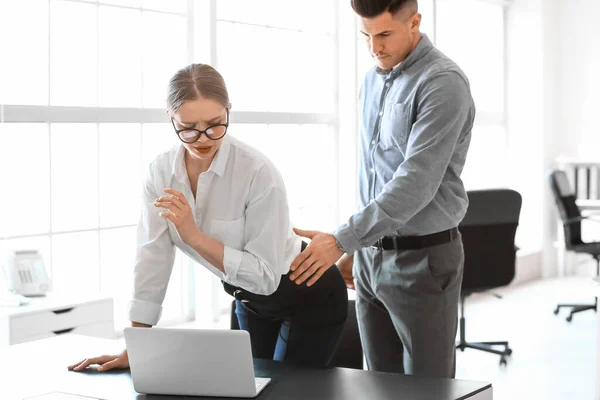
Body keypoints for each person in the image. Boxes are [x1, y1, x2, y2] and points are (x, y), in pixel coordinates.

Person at [68, 63, 347, 372]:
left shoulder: (257, 172)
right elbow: (152, 256)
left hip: (309, 293)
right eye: (188, 128)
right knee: (246, 387)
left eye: (215, 124)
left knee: (288, 392)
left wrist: (194, 237)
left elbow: (266, 277)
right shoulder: (161, 172)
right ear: (170, 118)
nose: (203, 138)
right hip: (248, 299)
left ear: (229, 110)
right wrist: (136, 344)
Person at [288, 0, 475, 378]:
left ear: (415, 22)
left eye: (385, 34)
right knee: (378, 382)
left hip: (423, 262)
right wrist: (358, 247)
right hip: (370, 260)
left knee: (427, 388)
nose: (375, 47)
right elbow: (372, 173)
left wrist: (342, 238)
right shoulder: (373, 79)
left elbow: (415, 182)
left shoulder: (443, 83)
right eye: (366, 36)